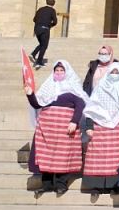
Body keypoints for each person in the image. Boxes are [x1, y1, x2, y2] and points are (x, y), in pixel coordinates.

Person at [24, 60, 87, 195]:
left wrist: (74, 121)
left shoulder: (72, 88)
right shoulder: (48, 87)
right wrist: (30, 94)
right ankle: (46, 185)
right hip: (47, 130)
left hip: (65, 129)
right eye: (56, 71)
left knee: (62, 156)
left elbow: (80, 104)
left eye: (61, 71)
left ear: (66, 72)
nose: (59, 73)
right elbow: (37, 104)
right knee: (46, 156)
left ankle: (61, 185)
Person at [82, 62, 119, 197]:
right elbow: (91, 109)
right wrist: (88, 126)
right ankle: (96, 187)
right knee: (97, 157)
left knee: (117, 159)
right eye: (112, 72)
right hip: (100, 128)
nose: (114, 75)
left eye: (117, 72)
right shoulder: (100, 87)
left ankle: (115, 186)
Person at [30, 0, 58, 69]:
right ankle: (39, 61)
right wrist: (49, 25)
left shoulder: (40, 9)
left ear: (46, 2)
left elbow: (34, 19)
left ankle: (33, 54)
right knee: (44, 46)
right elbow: (55, 22)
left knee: (42, 44)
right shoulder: (52, 10)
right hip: (45, 29)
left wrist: (39, 23)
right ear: (53, 4)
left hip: (37, 29)